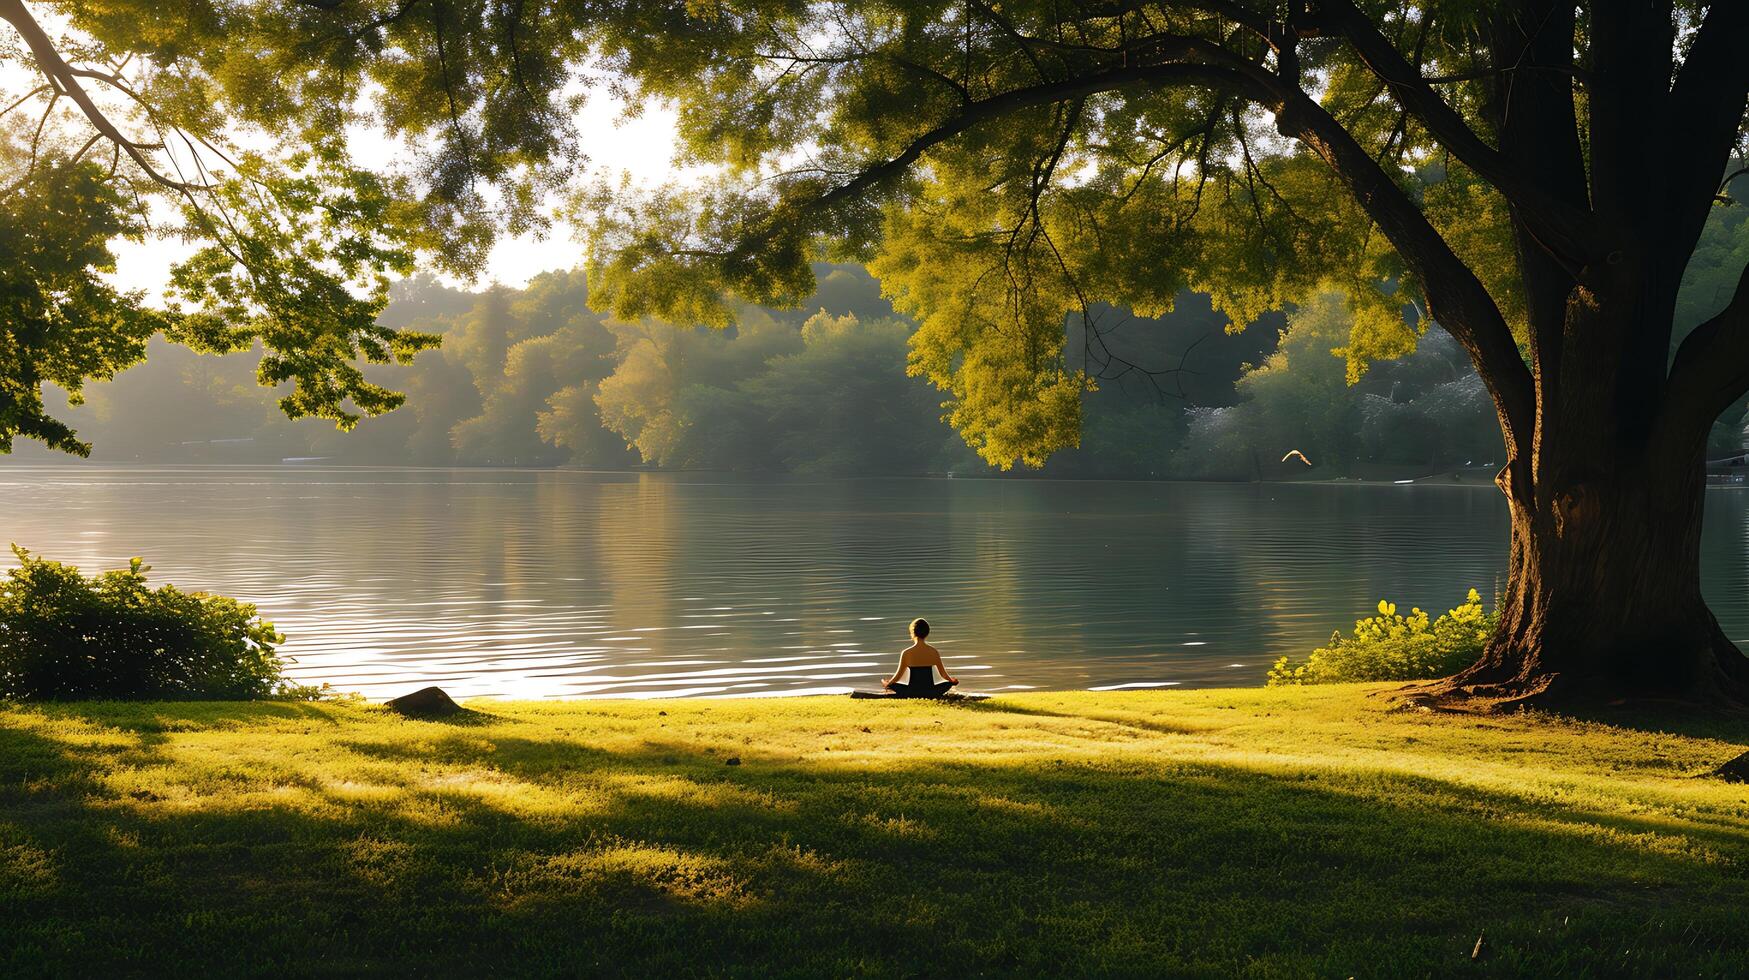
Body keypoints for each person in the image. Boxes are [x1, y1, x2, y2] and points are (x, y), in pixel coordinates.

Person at [880, 618, 959, 697]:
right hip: (931, 691)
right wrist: (952, 681)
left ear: (912, 633)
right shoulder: (933, 651)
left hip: (911, 692)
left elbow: (897, 677)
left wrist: (887, 684)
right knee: (949, 683)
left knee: (888, 683)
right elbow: (944, 675)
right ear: (927, 633)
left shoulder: (906, 653)